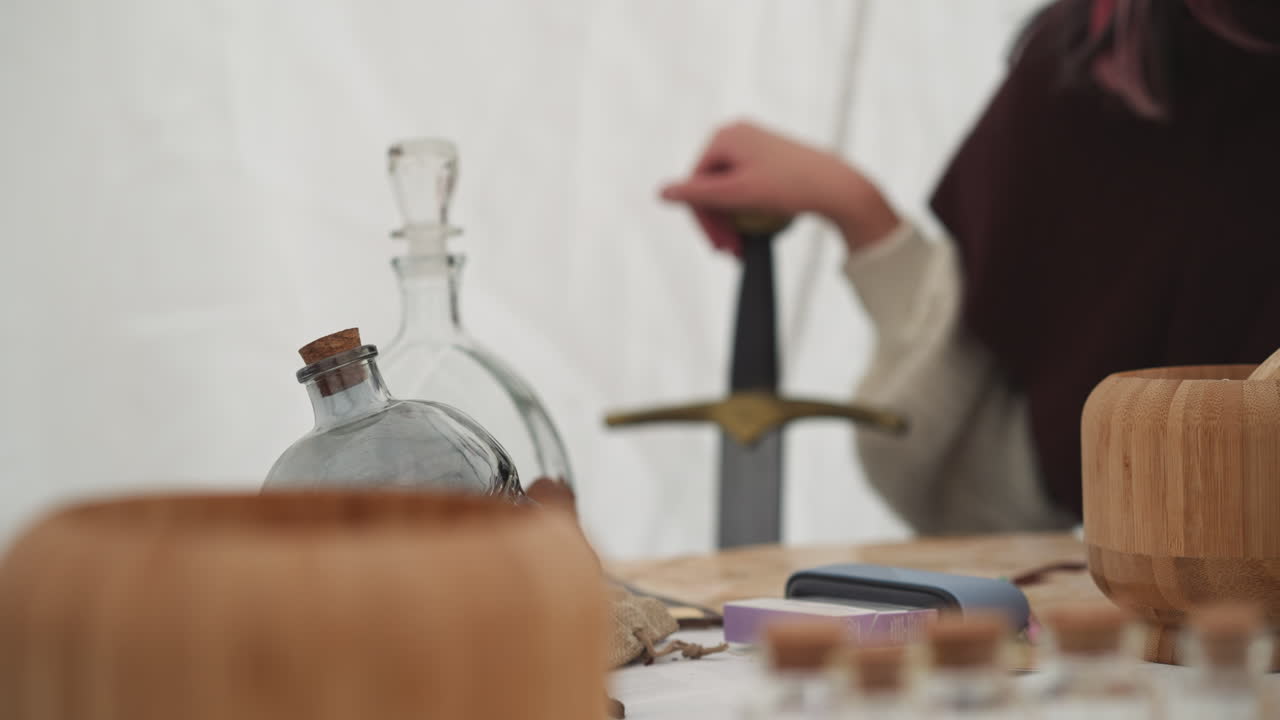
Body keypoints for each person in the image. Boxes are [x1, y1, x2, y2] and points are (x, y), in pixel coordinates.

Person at [660, 0, 1280, 534]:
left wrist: (853, 207)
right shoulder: (1104, 50)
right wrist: (854, 209)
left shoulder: (1110, 51)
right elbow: (989, 464)